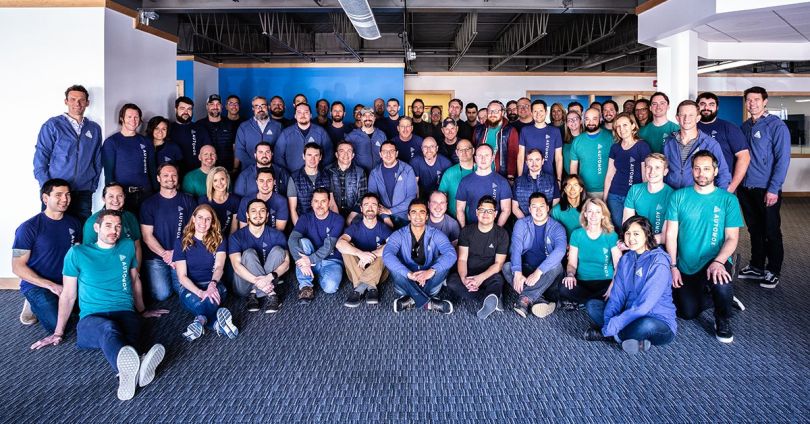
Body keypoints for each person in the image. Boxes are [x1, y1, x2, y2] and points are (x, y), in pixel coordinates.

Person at [30, 210, 168, 401]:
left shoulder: (127, 246)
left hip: (124, 310)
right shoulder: (77, 253)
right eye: (108, 226)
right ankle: (137, 365)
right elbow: (68, 295)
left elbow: (134, 279)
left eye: (118, 226)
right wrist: (58, 332)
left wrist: (142, 310)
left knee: (129, 333)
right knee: (109, 328)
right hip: (91, 318)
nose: (114, 231)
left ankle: (129, 373)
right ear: (97, 228)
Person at [665, 150, 743, 343]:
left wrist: (719, 261)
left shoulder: (728, 200)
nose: (701, 173)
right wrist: (673, 266)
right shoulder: (678, 197)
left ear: (715, 171)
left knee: (721, 283)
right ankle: (718, 297)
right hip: (687, 264)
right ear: (692, 170)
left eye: (706, 169)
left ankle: (722, 317)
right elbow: (671, 234)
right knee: (686, 312)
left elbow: (732, 238)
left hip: (715, 260)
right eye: (697, 168)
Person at [582, 215, 676, 354]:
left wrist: (614, 325)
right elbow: (617, 296)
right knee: (592, 306)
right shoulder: (625, 259)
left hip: (657, 320)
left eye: (636, 234)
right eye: (628, 233)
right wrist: (609, 321)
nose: (631, 238)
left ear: (647, 235)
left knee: (646, 325)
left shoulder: (658, 262)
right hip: (629, 313)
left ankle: (613, 336)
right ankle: (631, 339)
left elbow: (644, 306)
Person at [737, 86, 791, 289]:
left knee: (771, 230)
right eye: (749, 100)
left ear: (765, 101)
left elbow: (783, 160)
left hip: (766, 189)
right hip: (746, 187)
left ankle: (773, 270)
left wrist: (774, 188)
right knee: (754, 229)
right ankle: (757, 265)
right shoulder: (744, 127)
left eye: (756, 99)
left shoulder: (776, 126)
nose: (752, 103)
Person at [13, 179, 82, 332]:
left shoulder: (74, 224)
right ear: (45, 198)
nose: (65, 199)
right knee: (57, 325)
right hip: (38, 285)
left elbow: (77, 256)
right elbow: (17, 267)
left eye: (67, 195)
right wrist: (50, 285)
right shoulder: (27, 228)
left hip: (67, 282)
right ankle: (31, 302)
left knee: (94, 310)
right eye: (58, 195)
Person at [34, 85, 102, 222]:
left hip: (83, 192)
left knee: (81, 230)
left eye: (81, 100)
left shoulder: (94, 128)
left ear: (87, 103)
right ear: (66, 101)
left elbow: (97, 159)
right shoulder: (53, 125)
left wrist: (92, 185)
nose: (77, 103)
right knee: (53, 229)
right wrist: (48, 188)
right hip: (56, 193)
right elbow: (41, 157)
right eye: (73, 99)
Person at [173, 204, 239, 341]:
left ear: (212, 222)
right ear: (193, 219)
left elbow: (219, 267)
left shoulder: (219, 239)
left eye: (208, 219)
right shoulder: (181, 242)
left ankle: (200, 321)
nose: (203, 222)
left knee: (209, 298)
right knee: (199, 300)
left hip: (215, 284)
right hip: (190, 287)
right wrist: (200, 292)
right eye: (200, 217)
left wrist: (212, 285)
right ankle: (217, 325)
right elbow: (182, 277)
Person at [383, 199, 457, 314]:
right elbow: (387, 255)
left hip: (430, 281)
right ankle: (429, 302)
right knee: (394, 264)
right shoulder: (398, 234)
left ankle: (411, 299)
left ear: (427, 216)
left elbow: (451, 254)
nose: (418, 216)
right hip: (406, 281)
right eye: (414, 212)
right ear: (408, 216)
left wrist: (431, 271)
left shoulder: (436, 233)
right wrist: (408, 274)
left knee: (443, 261)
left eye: (422, 212)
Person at [140, 163, 198, 301]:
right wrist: (165, 255)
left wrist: (176, 253)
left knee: (182, 289)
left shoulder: (188, 201)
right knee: (162, 294)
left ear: (178, 177)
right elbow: (147, 236)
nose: (170, 178)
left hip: (181, 254)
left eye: (173, 175)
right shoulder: (148, 204)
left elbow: (193, 231)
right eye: (165, 175)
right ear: (158, 178)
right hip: (156, 257)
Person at [447, 196, 509, 319]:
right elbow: (462, 259)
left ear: (495, 214)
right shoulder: (466, 231)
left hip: (488, 274)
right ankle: (488, 298)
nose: (485, 214)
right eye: (482, 210)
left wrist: (480, 278)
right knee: (452, 281)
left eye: (490, 211)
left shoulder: (502, 234)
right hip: (469, 272)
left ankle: (491, 296)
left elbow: (499, 264)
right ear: (476, 212)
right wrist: (464, 279)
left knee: (498, 280)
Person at [506, 192, 567, 318]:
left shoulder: (557, 228)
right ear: (529, 209)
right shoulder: (521, 224)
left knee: (557, 266)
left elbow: (560, 251)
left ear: (548, 208)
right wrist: (517, 272)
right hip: (527, 271)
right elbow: (516, 248)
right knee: (507, 266)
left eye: (542, 206)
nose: (538, 210)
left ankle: (525, 299)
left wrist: (538, 272)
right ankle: (539, 300)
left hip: (547, 275)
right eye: (534, 207)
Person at [229, 199, 290, 313]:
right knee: (249, 253)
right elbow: (236, 266)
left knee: (279, 251)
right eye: (253, 211)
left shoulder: (277, 235)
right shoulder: (236, 237)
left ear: (267, 215)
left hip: (269, 280)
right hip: (244, 285)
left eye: (262, 211)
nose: (258, 214)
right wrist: (260, 282)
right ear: (247, 215)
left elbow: (286, 263)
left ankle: (253, 293)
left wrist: (268, 278)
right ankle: (270, 293)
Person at [560, 198, 621, 308]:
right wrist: (570, 275)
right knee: (564, 287)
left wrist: (613, 284)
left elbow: (618, 265)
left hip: (605, 282)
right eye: (590, 211)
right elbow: (572, 264)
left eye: (598, 212)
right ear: (585, 214)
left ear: (603, 215)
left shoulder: (611, 235)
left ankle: (585, 303)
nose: (593, 215)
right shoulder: (576, 234)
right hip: (583, 282)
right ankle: (593, 302)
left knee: (618, 288)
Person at [288, 188, 345, 303]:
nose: (319, 205)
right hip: (308, 257)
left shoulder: (338, 219)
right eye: (316, 201)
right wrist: (300, 261)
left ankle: (315, 275)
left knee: (330, 288)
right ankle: (306, 286)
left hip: (331, 260)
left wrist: (309, 260)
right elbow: (292, 240)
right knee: (303, 242)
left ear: (329, 203)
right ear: (311, 203)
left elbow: (329, 246)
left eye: (323, 201)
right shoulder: (305, 218)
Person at [336, 193, 393, 307]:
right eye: (366, 205)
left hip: (378, 273)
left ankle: (359, 289)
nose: (370, 208)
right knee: (346, 246)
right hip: (357, 268)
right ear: (361, 209)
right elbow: (339, 244)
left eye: (373, 205)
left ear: (378, 208)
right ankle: (371, 288)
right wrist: (360, 253)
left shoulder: (383, 228)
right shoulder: (355, 227)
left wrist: (371, 254)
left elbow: (394, 246)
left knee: (386, 248)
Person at [663, 100, 731, 190]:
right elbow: (663, 169)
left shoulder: (710, 144)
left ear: (698, 118)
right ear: (677, 118)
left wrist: (720, 196)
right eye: (682, 115)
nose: (686, 119)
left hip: (698, 195)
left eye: (691, 115)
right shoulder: (668, 142)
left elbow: (723, 174)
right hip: (672, 194)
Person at [102, 103, 156, 214]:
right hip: (123, 196)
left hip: (146, 194)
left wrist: (157, 191)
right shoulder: (111, 142)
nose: (133, 120)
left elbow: (152, 169)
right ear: (122, 118)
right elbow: (109, 173)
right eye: (129, 117)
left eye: (136, 117)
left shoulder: (146, 141)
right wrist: (112, 197)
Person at [603, 112, 651, 229]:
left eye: (625, 125)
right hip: (615, 195)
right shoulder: (615, 147)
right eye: (618, 126)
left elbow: (645, 176)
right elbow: (610, 174)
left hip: (634, 196)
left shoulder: (642, 146)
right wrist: (605, 198)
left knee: (633, 228)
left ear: (633, 126)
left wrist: (645, 197)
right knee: (620, 228)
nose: (621, 129)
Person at [696, 92, 750, 193]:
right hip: (695, 187)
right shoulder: (691, 128)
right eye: (703, 104)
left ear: (717, 108)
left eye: (711, 104)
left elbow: (744, 157)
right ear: (697, 107)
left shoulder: (729, 128)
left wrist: (732, 186)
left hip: (722, 187)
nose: (706, 108)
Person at [83, 183, 143, 269]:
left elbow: (137, 246)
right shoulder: (92, 222)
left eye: (120, 196)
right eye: (111, 196)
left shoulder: (130, 217)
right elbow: (88, 253)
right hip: (103, 269)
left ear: (124, 197)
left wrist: (136, 271)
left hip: (129, 269)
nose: (116, 200)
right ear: (103, 198)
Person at [455, 144, 512, 228]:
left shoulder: (502, 182)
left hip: (494, 229)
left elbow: (506, 210)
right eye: (480, 155)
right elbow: (460, 209)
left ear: (492, 158)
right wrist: (464, 231)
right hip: (472, 229)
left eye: (486, 155)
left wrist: (496, 231)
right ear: (475, 158)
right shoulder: (465, 181)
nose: (483, 159)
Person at [623, 153, 674, 244]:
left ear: (665, 172)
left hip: (658, 244)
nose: (652, 171)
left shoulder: (672, 196)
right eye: (649, 167)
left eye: (657, 167)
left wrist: (641, 242)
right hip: (636, 242)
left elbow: (666, 236)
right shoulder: (635, 190)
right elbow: (627, 224)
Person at [368, 141, 417, 227]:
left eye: (391, 151)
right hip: (382, 217)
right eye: (385, 151)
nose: (388, 154)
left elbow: (411, 197)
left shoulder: (407, 170)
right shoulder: (374, 173)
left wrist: (391, 211)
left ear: (396, 153)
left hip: (404, 216)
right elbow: (373, 199)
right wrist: (385, 217)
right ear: (380, 154)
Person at [274, 103, 334, 173]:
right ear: (295, 116)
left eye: (306, 112)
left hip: (315, 176)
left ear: (311, 115)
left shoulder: (321, 132)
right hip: (292, 176)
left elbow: (329, 153)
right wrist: (285, 174)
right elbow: (278, 155)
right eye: (299, 112)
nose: (303, 115)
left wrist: (321, 170)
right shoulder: (285, 133)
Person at [570, 108, 614, 197]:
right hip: (583, 190)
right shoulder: (577, 141)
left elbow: (615, 167)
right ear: (583, 120)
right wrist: (577, 189)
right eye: (587, 119)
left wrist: (606, 194)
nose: (590, 122)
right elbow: (573, 168)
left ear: (600, 119)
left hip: (607, 189)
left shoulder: (610, 138)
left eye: (594, 119)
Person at [518, 100, 563, 183]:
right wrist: (520, 178)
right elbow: (520, 156)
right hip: (527, 177)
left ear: (546, 112)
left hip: (549, 177)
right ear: (531, 113)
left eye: (541, 111)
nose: (538, 114)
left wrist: (559, 179)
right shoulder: (525, 131)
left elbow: (559, 158)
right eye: (535, 111)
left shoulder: (555, 131)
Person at [473, 100, 519, 180]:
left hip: (501, 176)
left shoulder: (510, 130)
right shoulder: (478, 130)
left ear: (502, 113)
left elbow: (513, 155)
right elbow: (473, 150)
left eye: (496, 111)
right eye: (490, 111)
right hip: (480, 173)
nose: (492, 114)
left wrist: (510, 175)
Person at [287, 143, 331, 225]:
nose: (312, 159)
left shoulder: (327, 176)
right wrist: (299, 229)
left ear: (320, 157)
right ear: (303, 156)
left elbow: (331, 204)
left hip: (324, 223)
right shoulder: (294, 178)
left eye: (316, 155)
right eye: (309, 155)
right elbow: (293, 210)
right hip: (304, 223)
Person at [235, 96, 282, 171]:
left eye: (263, 105)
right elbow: (239, 151)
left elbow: (280, 150)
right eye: (257, 106)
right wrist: (257, 166)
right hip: (249, 170)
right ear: (253, 109)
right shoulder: (243, 127)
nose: (260, 109)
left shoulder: (278, 126)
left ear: (268, 107)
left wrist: (269, 166)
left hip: (272, 170)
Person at [326, 140, 368, 222]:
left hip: (354, 214)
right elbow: (325, 196)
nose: (346, 154)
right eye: (342, 151)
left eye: (349, 151)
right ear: (336, 154)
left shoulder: (360, 172)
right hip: (331, 212)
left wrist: (351, 216)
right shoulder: (327, 171)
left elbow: (362, 197)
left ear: (353, 155)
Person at [512, 149, 559, 219]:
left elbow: (555, 205)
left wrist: (544, 220)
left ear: (542, 161)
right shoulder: (518, 181)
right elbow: (515, 208)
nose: (534, 163)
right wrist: (526, 222)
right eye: (530, 160)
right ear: (526, 162)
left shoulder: (552, 180)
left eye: (537, 160)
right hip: (524, 221)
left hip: (547, 220)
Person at [237, 167, 288, 232]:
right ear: (257, 182)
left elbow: (279, 231)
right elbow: (243, 230)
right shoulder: (245, 201)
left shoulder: (281, 201)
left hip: (272, 237)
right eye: (261, 181)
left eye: (269, 181)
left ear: (274, 182)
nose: (265, 185)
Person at [168, 96, 211, 174]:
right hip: (174, 174)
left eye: (189, 109)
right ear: (176, 110)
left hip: (196, 173)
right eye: (182, 108)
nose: (186, 112)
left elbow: (208, 151)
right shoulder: (168, 129)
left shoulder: (200, 128)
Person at [197, 94, 237, 173]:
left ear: (221, 107)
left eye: (218, 104)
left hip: (227, 169)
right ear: (207, 106)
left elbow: (235, 148)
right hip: (206, 170)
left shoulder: (230, 124)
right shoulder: (199, 125)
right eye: (212, 104)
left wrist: (235, 167)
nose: (215, 107)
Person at [198, 166, 241, 238]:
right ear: (211, 183)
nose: (220, 183)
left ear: (227, 179)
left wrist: (230, 242)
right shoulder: (203, 200)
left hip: (227, 239)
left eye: (222, 179)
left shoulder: (235, 200)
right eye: (215, 180)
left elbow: (234, 227)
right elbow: (200, 225)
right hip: (207, 239)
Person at [438, 139, 475, 219]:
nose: (464, 152)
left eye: (467, 149)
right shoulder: (449, 173)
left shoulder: (482, 170)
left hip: (479, 220)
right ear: (456, 152)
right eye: (460, 150)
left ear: (473, 150)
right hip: (454, 220)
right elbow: (440, 197)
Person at [345, 107, 387, 173]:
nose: (368, 118)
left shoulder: (382, 135)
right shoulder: (351, 137)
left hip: (378, 174)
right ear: (361, 118)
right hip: (359, 175)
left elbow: (386, 155)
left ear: (374, 118)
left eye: (370, 115)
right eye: (364, 115)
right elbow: (346, 158)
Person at [551, 174, 586, 238]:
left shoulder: (588, 208)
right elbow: (552, 232)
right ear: (564, 189)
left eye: (575, 185)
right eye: (569, 185)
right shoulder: (556, 210)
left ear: (581, 189)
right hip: (564, 243)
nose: (572, 189)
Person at [562, 110, 582, 175]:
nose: (573, 121)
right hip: (568, 177)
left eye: (575, 119)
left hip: (584, 178)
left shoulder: (586, 139)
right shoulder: (563, 141)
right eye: (569, 120)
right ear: (567, 124)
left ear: (580, 121)